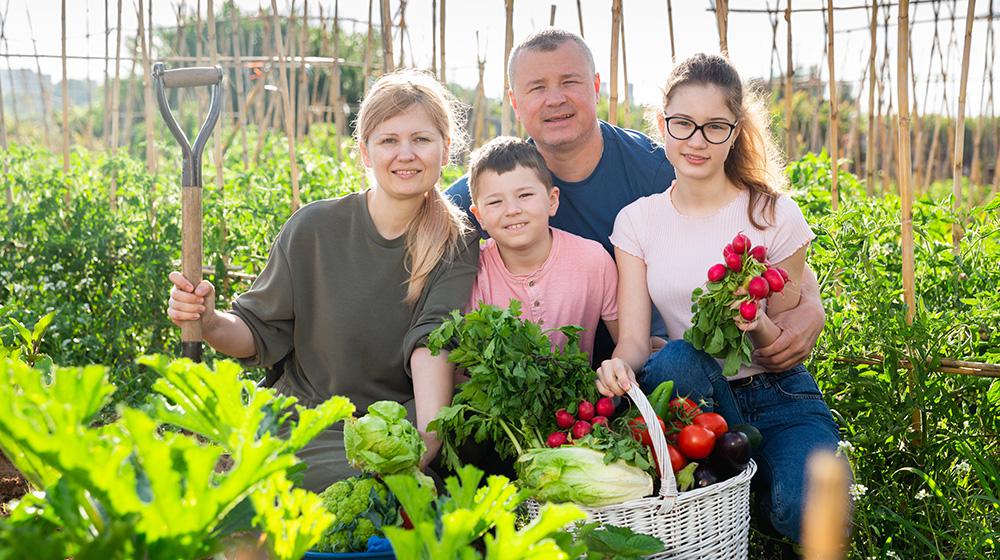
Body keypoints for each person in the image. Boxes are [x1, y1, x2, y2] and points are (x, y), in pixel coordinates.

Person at [166, 69, 479, 493]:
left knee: (403, 506)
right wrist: (209, 321)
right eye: (389, 140)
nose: (406, 154)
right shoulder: (314, 228)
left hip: (393, 426)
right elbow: (256, 333)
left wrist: (418, 453)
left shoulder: (456, 242)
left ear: (446, 149)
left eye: (421, 139)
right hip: (307, 420)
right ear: (365, 153)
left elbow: (432, 349)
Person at [445, 27, 825, 371]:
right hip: (560, 376)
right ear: (514, 100)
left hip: (659, 364)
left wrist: (811, 303)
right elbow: (422, 231)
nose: (555, 99)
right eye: (537, 87)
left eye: (569, 81)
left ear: (595, 85)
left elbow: (758, 229)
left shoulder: (658, 169)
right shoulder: (492, 192)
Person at [595, 53, 842, 548]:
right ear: (662, 125)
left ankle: (752, 489)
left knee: (807, 515)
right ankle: (735, 486)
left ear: (735, 132)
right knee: (679, 356)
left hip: (777, 390)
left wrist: (756, 322)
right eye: (682, 124)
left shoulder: (774, 214)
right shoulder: (637, 222)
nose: (696, 141)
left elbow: (783, 337)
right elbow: (637, 339)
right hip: (695, 399)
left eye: (714, 127)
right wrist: (617, 365)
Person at [465, 136, 618, 359]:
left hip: (581, 390)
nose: (512, 210)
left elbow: (627, 341)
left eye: (525, 195)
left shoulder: (593, 261)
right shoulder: (473, 274)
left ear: (552, 200)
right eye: (495, 202)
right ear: (480, 218)